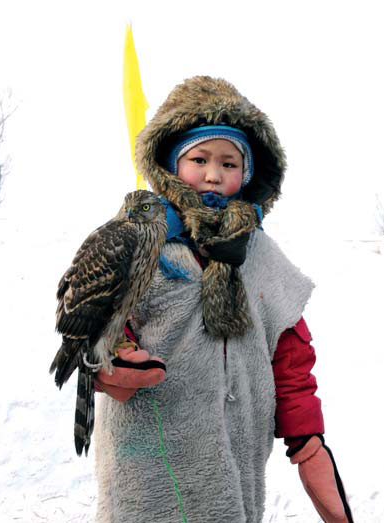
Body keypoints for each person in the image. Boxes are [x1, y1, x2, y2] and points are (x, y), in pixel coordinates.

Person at [94, 76, 353, 523]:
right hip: (148, 450)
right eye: (199, 159)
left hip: (237, 453)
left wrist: (306, 439)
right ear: (171, 165)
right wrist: (115, 357)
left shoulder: (261, 255)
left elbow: (290, 357)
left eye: (229, 163)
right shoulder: (140, 242)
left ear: (248, 173)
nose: (214, 173)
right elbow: (101, 319)